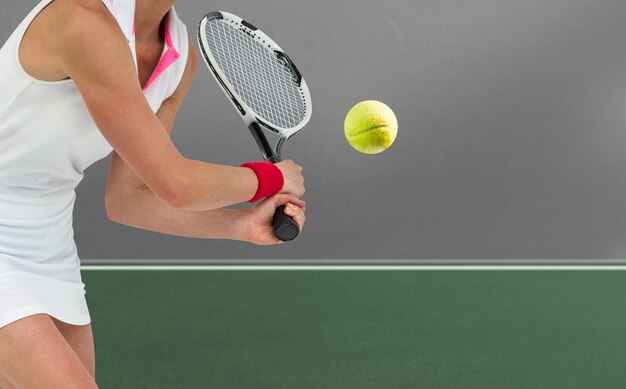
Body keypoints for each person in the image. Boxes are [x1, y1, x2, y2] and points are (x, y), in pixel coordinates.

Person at [0, 0, 307, 387]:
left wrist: (241, 225)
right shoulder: (81, 19)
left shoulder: (179, 59)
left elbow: (130, 199)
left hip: (47, 244)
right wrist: (273, 178)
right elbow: (176, 184)